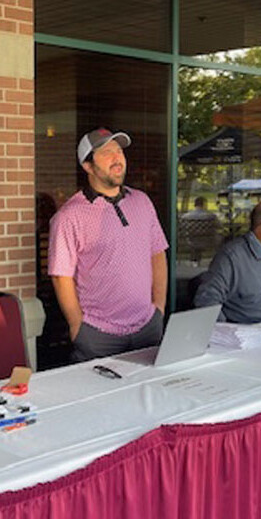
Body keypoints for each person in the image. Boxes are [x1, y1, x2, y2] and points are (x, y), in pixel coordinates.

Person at [48, 127, 168, 362]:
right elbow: (61, 276)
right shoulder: (69, 216)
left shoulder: (142, 202)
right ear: (88, 166)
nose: (117, 158)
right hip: (98, 335)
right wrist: (77, 326)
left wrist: (159, 308)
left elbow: (157, 254)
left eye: (119, 152)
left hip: (147, 327)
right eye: (106, 153)